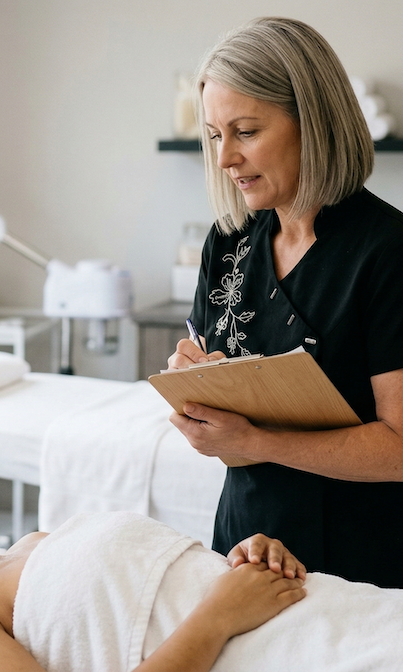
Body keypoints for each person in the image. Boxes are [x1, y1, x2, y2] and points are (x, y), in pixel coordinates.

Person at [166, 17, 403, 588]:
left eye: (245, 132)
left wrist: (250, 440)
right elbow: (219, 418)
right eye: (215, 135)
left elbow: (400, 448)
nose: (225, 158)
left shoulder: (386, 252)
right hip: (244, 546)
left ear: (313, 123)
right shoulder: (227, 242)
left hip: (360, 565)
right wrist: (192, 390)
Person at [0, 439, 312, 672]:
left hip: (304, 611)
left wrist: (236, 563)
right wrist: (219, 614)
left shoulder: (34, 543)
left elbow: (145, 592)